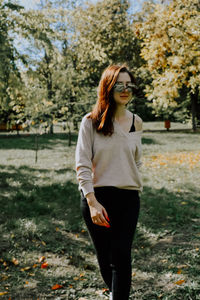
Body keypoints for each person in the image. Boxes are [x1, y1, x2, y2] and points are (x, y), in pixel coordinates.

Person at [75, 64, 143, 300]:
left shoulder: (137, 122)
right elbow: (82, 164)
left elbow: (136, 161)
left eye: (129, 85)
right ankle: (116, 292)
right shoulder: (90, 122)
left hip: (128, 198)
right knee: (106, 259)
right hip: (98, 198)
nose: (125, 90)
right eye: (119, 85)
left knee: (122, 254)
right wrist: (92, 201)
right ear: (107, 87)